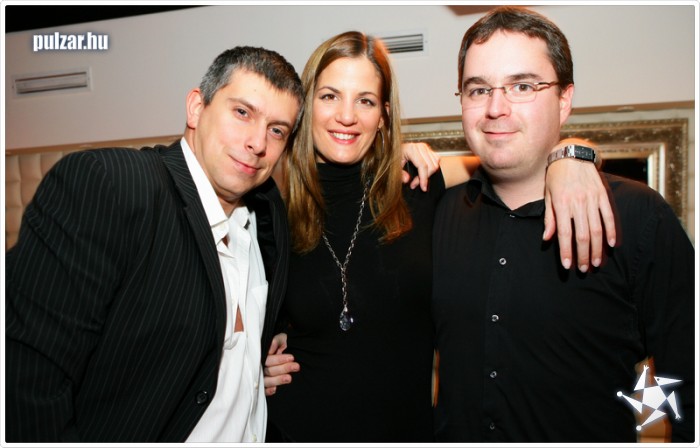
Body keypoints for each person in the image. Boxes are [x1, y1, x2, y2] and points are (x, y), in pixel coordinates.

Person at [263, 30, 614, 442]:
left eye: (365, 101)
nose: (346, 116)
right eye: (329, 96)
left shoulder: (420, 183)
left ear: (384, 116)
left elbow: (516, 156)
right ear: (306, 107)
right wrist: (257, 366)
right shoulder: (272, 209)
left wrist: (571, 155)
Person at [5, 46, 303, 442]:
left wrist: (251, 360)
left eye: (277, 130)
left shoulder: (266, 213)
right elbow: (26, 377)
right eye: (242, 112)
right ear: (196, 108)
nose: (258, 142)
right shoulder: (113, 186)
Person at [432, 6, 695, 442]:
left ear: (564, 99)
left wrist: (641, 418)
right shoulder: (438, 215)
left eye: (522, 86)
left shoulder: (637, 216)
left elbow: (685, 377)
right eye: (478, 89)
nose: (495, 108)